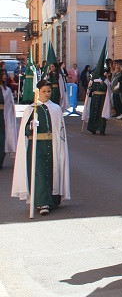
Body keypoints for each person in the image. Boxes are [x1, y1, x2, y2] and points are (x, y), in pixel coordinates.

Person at [11, 80, 70, 215]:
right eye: (44, 91)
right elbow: (25, 132)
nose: (47, 94)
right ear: (38, 92)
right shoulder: (31, 109)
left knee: (52, 172)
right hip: (37, 147)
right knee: (40, 173)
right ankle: (41, 202)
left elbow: (60, 130)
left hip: (52, 146)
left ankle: (52, 199)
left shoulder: (56, 109)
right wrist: (30, 126)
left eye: (49, 91)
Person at [83, 46, 112, 136]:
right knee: (93, 112)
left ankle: (101, 129)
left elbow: (108, 90)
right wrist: (89, 92)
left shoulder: (105, 80)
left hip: (102, 99)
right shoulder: (93, 80)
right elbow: (89, 90)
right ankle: (92, 128)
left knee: (101, 113)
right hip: (94, 98)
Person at [0, 72, 18, 168]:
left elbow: (11, 106)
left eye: (5, 75)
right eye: (2, 74)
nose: (4, 76)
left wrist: (11, 119)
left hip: (5, 116)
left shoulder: (7, 90)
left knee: (3, 138)